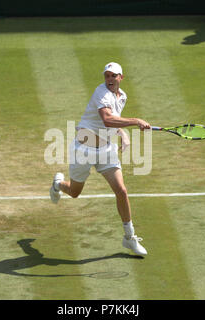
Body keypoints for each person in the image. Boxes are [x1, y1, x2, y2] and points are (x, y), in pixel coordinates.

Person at [49, 62, 151, 256]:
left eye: (114, 76)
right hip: (83, 149)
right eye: (107, 76)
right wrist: (135, 121)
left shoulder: (122, 96)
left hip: (106, 150)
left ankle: (129, 238)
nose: (110, 79)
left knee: (121, 190)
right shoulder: (101, 93)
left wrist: (122, 133)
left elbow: (114, 120)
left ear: (121, 77)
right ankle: (57, 184)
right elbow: (106, 119)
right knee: (74, 192)